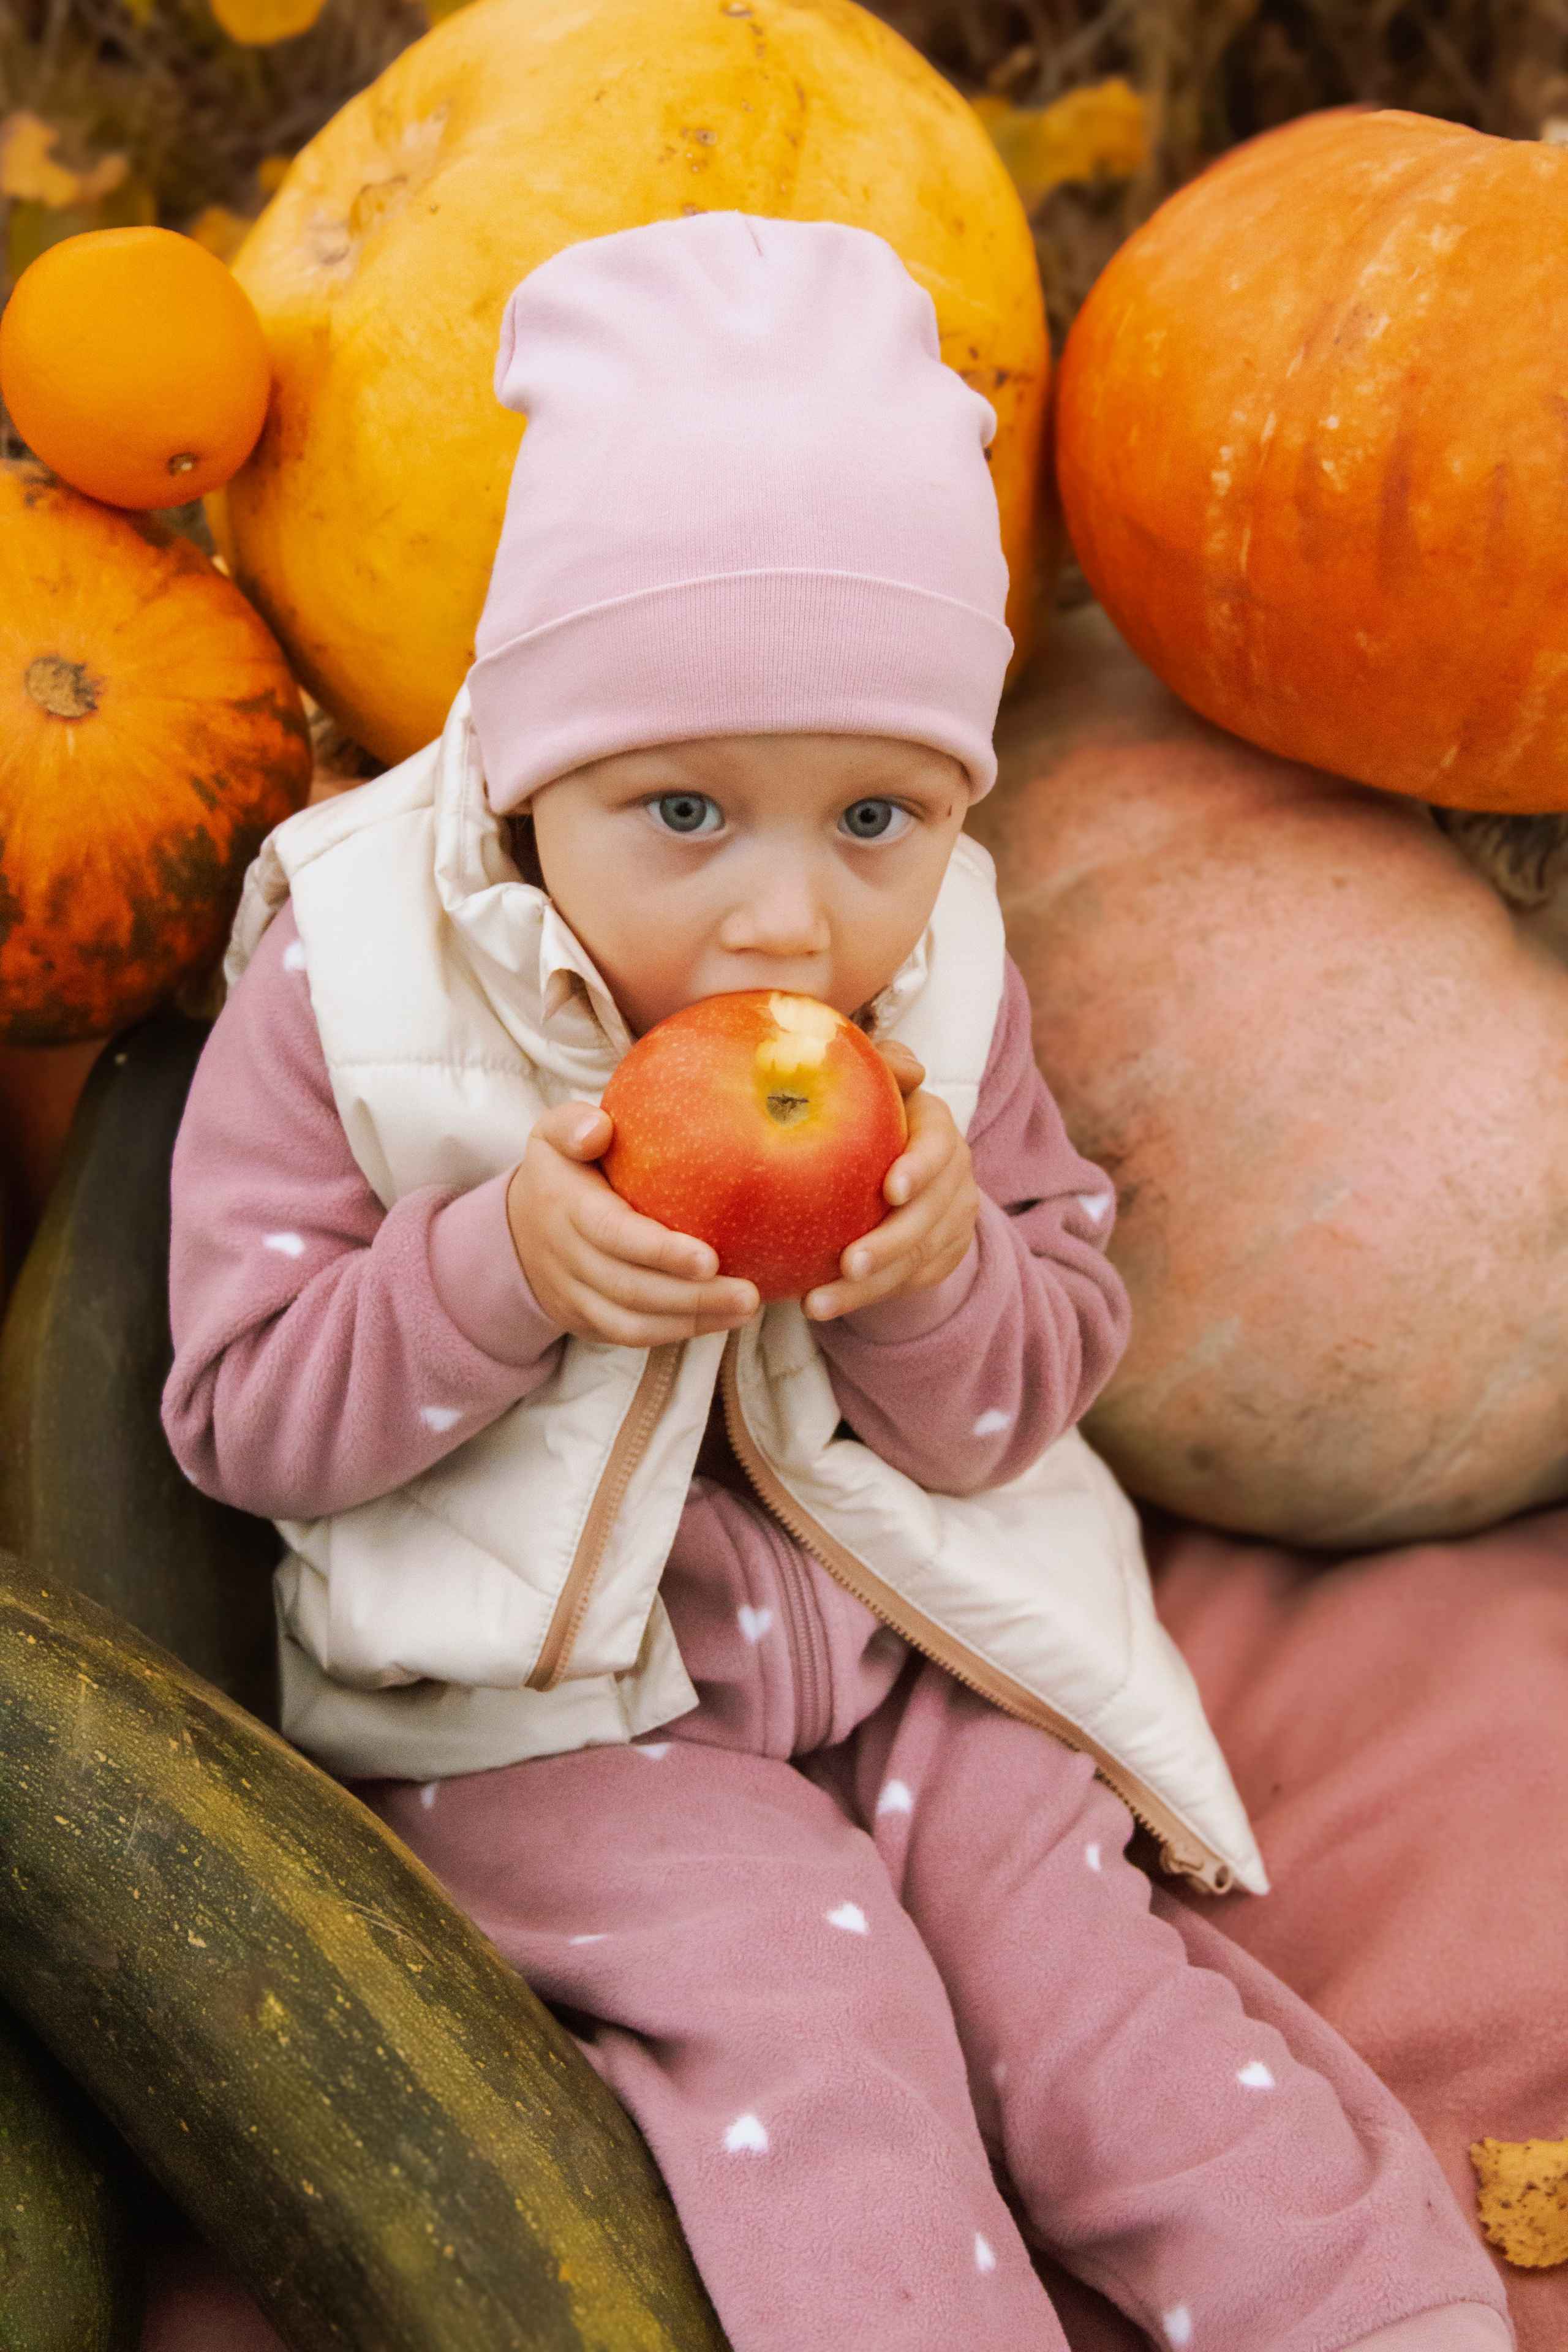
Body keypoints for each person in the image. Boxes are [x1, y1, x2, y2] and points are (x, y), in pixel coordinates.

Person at [162, 214, 1509, 2352]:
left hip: (909, 1647)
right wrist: (495, 1273)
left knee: (1093, 2006)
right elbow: (242, 1423)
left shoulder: (943, 976)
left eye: (875, 817)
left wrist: (938, 1275)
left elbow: (1017, 1407)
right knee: (813, 2010)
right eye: (685, 811)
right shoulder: (354, 989)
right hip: (542, 1722)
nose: (788, 921)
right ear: (531, 771)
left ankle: (1369, 2319)